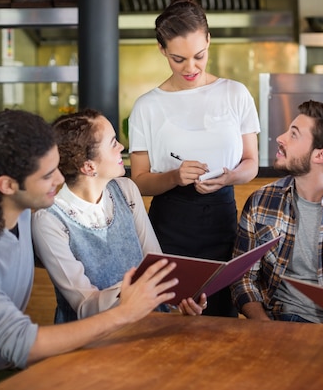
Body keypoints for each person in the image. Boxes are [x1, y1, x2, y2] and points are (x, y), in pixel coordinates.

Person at [0, 109, 178, 390]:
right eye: (47, 175)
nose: (60, 180)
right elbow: (24, 345)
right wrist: (125, 311)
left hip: (4, 368)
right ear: (7, 185)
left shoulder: (23, 210)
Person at [128, 0, 260, 317]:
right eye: (178, 59)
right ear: (162, 50)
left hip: (222, 222)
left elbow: (251, 164)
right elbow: (140, 181)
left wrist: (228, 177)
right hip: (170, 227)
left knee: (221, 320)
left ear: (209, 41)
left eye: (199, 56)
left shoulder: (235, 93)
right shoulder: (147, 106)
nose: (191, 68)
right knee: (170, 324)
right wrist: (174, 176)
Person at [32, 108, 206, 324]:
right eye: (113, 143)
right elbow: (85, 306)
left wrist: (179, 297)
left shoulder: (126, 189)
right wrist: (137, 291)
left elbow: (156, 265)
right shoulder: (49, 220)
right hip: (88, 340)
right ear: (89, 166)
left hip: (149, 324)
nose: (122, 147)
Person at [230, 100, 323, 323]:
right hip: (270, 323)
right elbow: (243, 277)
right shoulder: (261, 201)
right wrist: (263, 325)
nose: (280, 138)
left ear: (320, 156)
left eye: (294, 135)